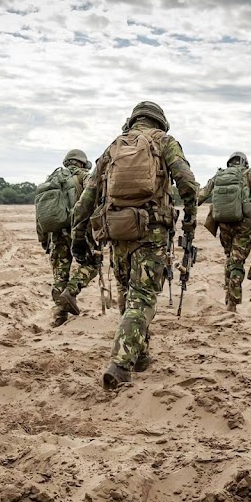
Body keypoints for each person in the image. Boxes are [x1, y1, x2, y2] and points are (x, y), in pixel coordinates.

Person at [70, 101, 198, 389]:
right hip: (151, 232)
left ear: (132, 121)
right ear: (160, 122)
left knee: (127, 292)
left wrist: (80, 236)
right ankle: (120, 363)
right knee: (142, 297)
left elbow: (86, 199)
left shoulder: (113, 147)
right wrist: (189, 221)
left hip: (117, 231)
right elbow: (188, 184)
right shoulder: (165, 142)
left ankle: (141, 356)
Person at [197, 151, 251, 312]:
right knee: (237, 261)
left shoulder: (219, 175)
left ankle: (228, 295)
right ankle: (232, 303)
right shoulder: (249, 174)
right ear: (245, 162)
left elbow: (200, 195)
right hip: (243, 223)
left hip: (223, 222)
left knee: (230, 256)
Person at [36, 149, 98, 327]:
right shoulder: (85, 176)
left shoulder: (51, 180)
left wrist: (43, 239)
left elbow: (40, 214)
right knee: (92, 264)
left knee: (59, 275)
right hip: (78, 232)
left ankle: (59, 318)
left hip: (55, 235)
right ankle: (71, 291)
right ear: (82, 163)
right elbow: (93, 196)